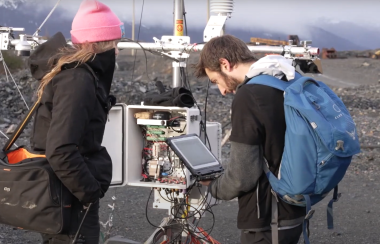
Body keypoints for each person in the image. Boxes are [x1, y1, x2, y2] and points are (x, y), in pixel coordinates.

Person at [28, 0, 125, 243]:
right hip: (69, 199)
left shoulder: (72, 73)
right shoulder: (78, 81)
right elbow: (61, 150)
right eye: (115, 43)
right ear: (97, 44)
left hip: (63, 194)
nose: (117, 51)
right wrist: (89, 192)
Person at [195, 35, 305, 244]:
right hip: (295, 205)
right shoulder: (283, 79)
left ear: (224, 64)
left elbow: (243, 175)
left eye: (216, 81)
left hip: (268, 217)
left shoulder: (249, 95)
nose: (223, 90)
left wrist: (215, 186)